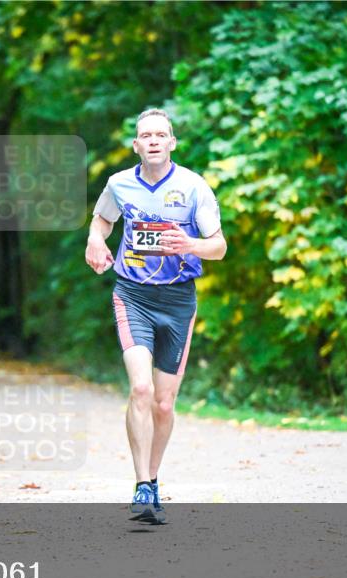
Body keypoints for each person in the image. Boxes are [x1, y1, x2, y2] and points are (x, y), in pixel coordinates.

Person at [85, 108, 227, 524]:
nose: (152, 141)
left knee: (165, 403)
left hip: (179, 300)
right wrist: (95, 242)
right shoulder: (119, 184)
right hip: (132, 295)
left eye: (160, 135)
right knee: (142, 389)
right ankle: (142, 483)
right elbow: (101, 222)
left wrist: (189, 244)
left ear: (171, 143)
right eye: (144, 135)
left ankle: (154, 478)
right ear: (136, 145)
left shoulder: (193, 186)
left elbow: (218, 246)